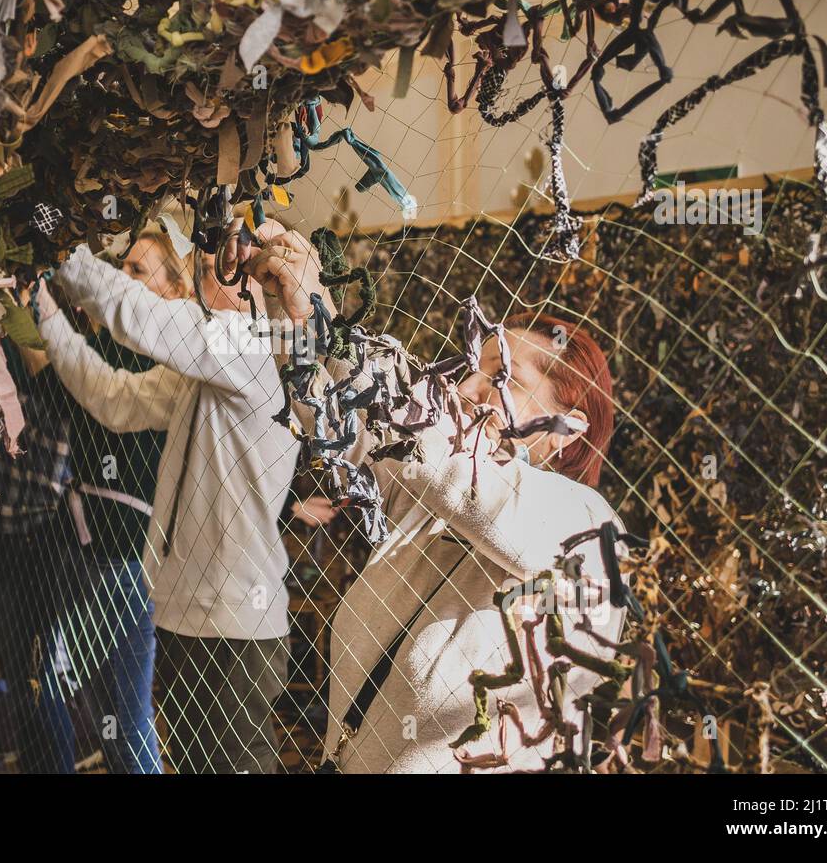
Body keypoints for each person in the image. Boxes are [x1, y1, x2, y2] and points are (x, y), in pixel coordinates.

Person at [243, 224, 626, 773]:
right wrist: (290, 307)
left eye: (501, 378)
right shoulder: (429, 502)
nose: (466, 388)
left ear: (567, 430)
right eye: (472, 368)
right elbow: (343, 418)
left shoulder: (588, 526)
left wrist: (325, 316)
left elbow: (456, 473)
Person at [31, 214, 300, 774]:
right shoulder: (210, 374)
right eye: (201, 270)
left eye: (217, 271)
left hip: (232, 633)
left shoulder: (250, 351)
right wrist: (44, 307)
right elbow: (112, 398)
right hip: (187, 617)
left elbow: (143, 317)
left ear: (257, 288)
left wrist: (61, 246)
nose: (203, 285)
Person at [0, 231, 188, 773]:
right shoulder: (121, 347)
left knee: (121, 718)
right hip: (82, 548)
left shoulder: (164, 354)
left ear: (174, 287)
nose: (122, 279)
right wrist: (20, 296)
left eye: (138, 271)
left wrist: (31, 297)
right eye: (121, 267)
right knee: (85, 706)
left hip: (124, 555)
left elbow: (64, 378)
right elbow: (54, 383)